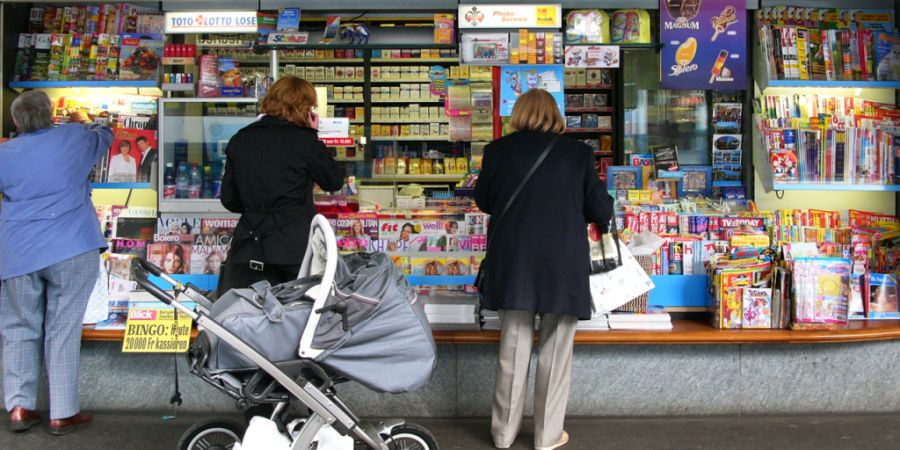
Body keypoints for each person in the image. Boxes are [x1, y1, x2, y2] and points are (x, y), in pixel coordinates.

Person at [474, 89, 613, 450]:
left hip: (514, 260)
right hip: (562, 264)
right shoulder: (578, 154)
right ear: (555, 116)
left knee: (513, 348)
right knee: (556, 350)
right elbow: (601, 209)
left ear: (518, 114)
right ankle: (547, 436)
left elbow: (485, 201)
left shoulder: (497, 151)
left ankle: (503, 434)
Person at [0, 91, 112, 435]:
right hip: (71, 245)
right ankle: (62, 412)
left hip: (17, 249)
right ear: (51, 115)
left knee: (18, 327)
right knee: (63, 329)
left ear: (17, 122)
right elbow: (106, 135)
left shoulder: (4, 152)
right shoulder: (74, 136)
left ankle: (20, 406)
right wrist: (81, 120)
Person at [219, 76, 343, 293]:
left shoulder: (241, 139)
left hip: (249, 248)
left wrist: (258, 209)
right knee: (296, 318)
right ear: (304, 108)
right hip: (294, 249)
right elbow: (333, 181)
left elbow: (229, 200)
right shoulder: (305, 141)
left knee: (247, 319)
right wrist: (314, 135)